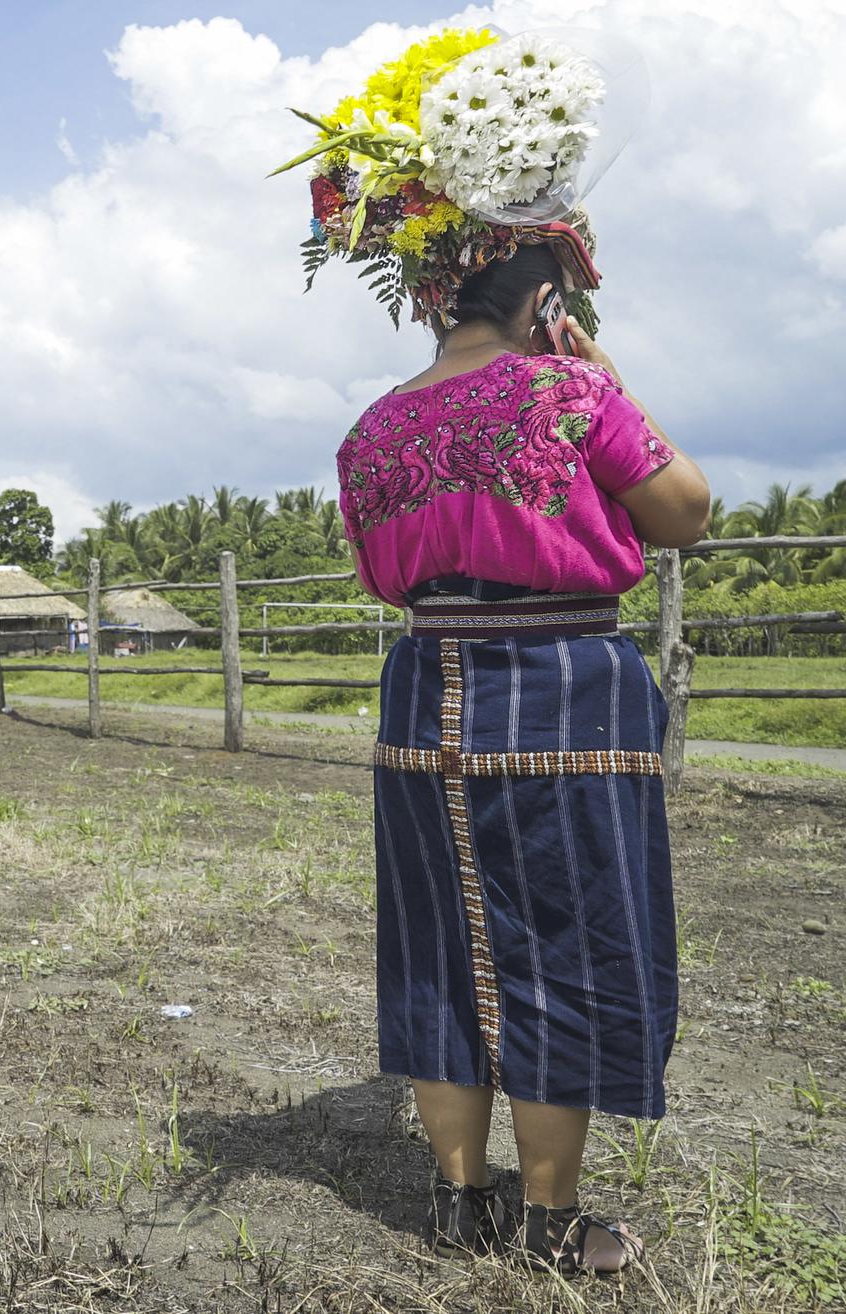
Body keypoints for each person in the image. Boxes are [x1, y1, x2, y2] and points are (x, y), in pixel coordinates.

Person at [289, 30, 712, 1274]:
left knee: (437, 938)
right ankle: (550, 1221)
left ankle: (455, 1202)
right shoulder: (571, 395)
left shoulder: (374, 429)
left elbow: (379, 577)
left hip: (424, 694)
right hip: (564, 698)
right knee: (560, 948)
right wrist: (610, 376)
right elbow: (682, 513)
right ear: (544, 296)